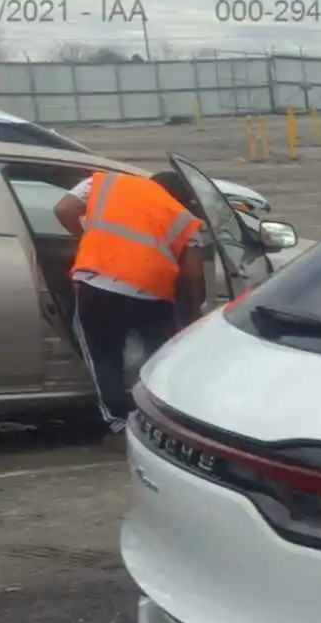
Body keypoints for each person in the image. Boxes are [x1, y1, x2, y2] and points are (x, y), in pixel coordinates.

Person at [53, 169, 207, 432]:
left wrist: (92, 241)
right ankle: (164, 420)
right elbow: (192, 275)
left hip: (97, 283)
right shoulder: (182, 215)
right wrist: (191, 318)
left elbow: (63, 209)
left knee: (104, 357)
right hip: (150, 293)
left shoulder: (106, 182)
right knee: (158, 357)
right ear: (179, 195)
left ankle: (118, 424)